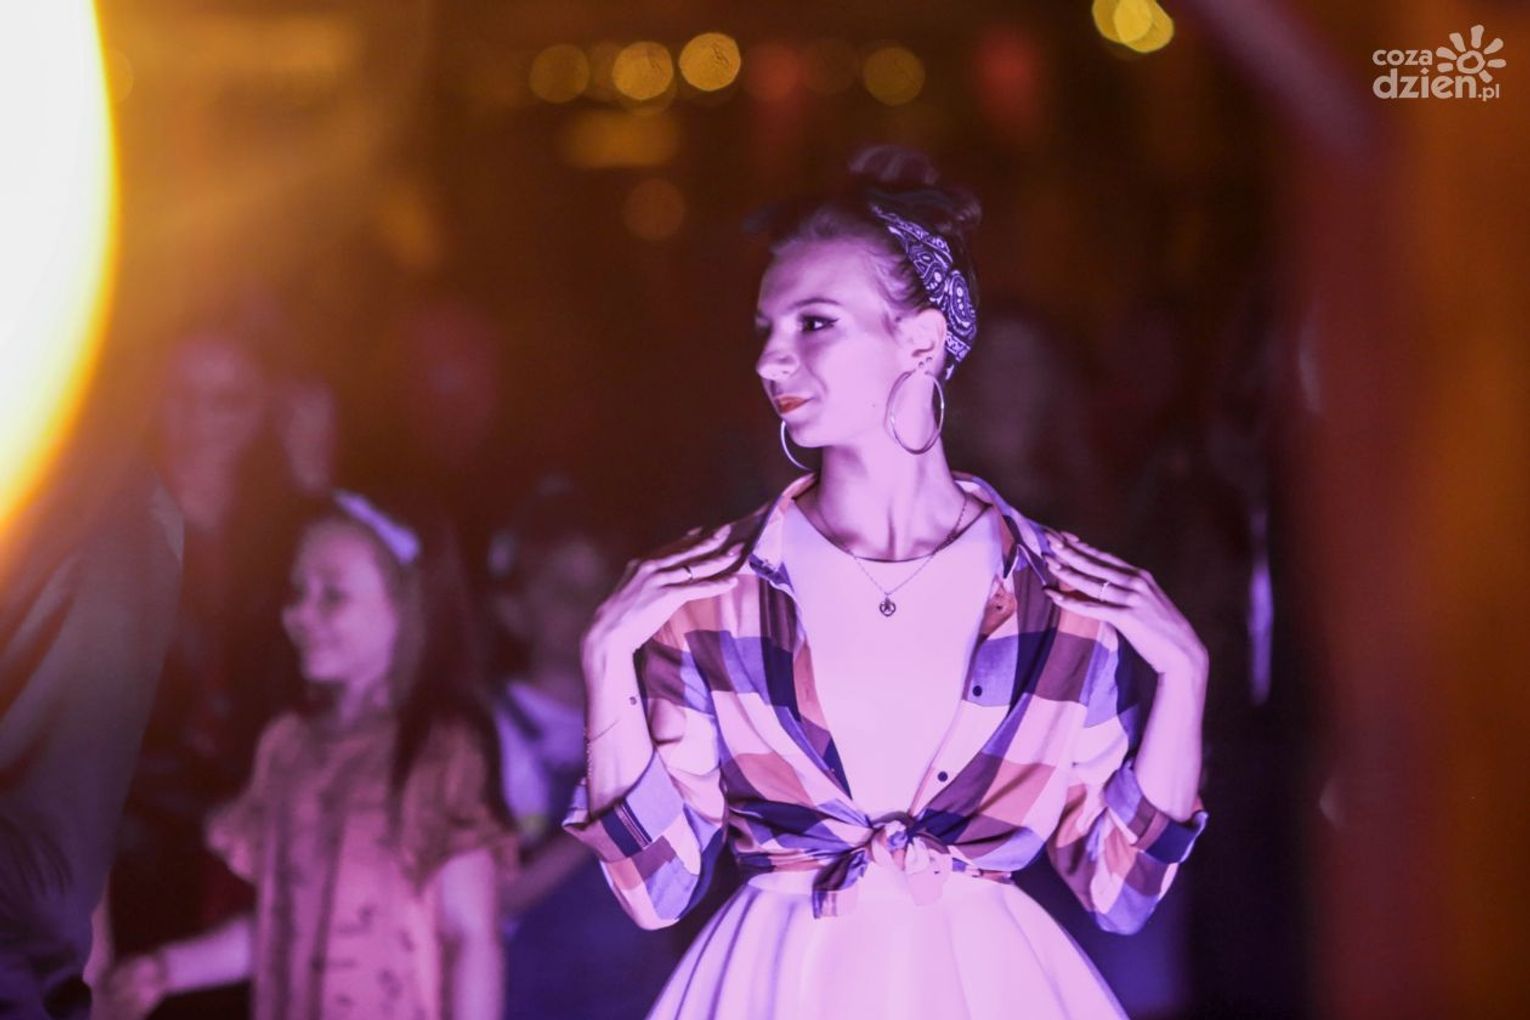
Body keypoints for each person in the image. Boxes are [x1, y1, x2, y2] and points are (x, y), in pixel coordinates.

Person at [564, 147, 1211, 1019]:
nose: (771, 359)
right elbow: (657, 891)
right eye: (766, 328)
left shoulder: (1056, 590)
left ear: (922, 339)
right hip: (777, 989)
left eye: (814, 323)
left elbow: (1119, 889)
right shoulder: (716, 588)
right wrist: (606, 657)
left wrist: (1186, 675)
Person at [103, 493, 516, 1020]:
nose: (297, 613)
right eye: (297, 591)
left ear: (408, 602)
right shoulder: (288, 748)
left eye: (333, 596)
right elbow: (278, 926)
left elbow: (471, 935)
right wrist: (168, 970)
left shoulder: (439, 751)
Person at [486, 484, 684, 1019]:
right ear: (512, 609)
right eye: (562, 590)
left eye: (601, 588)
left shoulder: (648, 712)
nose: (587, 608)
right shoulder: (492, 730)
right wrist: (609, 816)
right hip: (535, 999)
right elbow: (491, 896)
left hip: (641, 994)